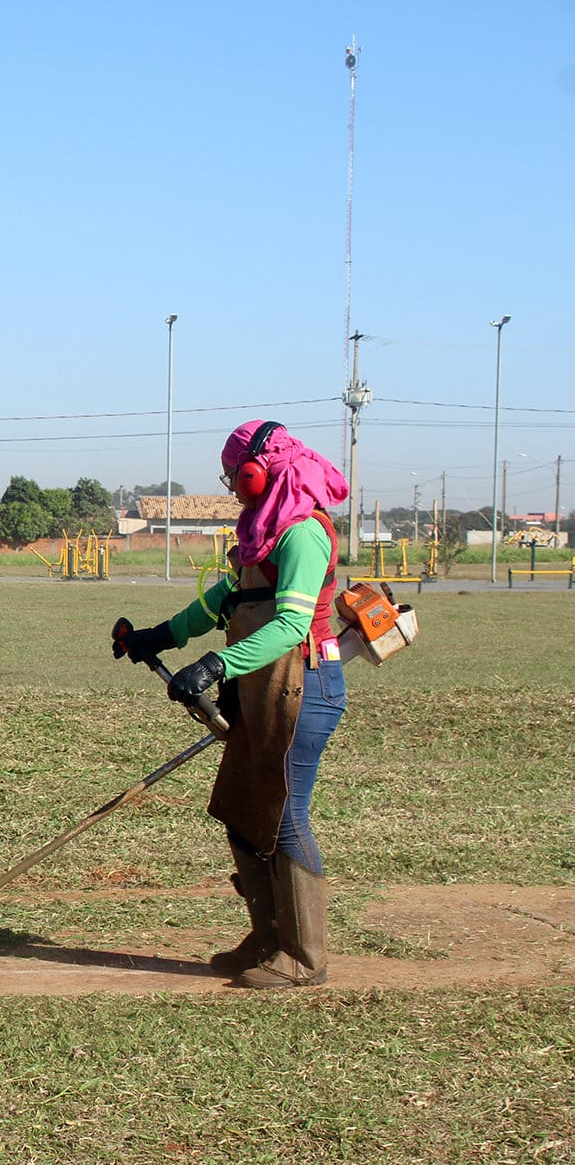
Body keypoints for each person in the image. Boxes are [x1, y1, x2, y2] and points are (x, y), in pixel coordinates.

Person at [113, 420, 348, 988]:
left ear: (259, 472)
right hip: (260, 686)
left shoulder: (302, 533)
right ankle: (267, 939)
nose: (232, 486)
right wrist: (159, 636)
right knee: (242, 811)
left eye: (234, 475)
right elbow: (222, 600)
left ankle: (304, 956)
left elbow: (291, 625)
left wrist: (215, 665)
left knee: (284, 816)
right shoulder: (262, 534)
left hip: (304, 686)